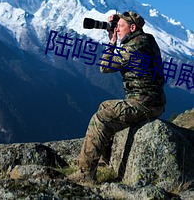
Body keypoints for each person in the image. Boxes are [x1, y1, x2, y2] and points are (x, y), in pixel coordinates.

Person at [68, 11, 166, 183]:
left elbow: (104, 67)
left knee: (101, 118)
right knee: (105, 106)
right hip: (151, 101)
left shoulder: (135, 47)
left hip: (144, 103)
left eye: (121, 26)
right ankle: (105, 160)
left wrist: (111, 42)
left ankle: (85, 174)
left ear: (133, 28)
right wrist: (118, 23)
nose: (117, 29)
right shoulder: (146, 39)